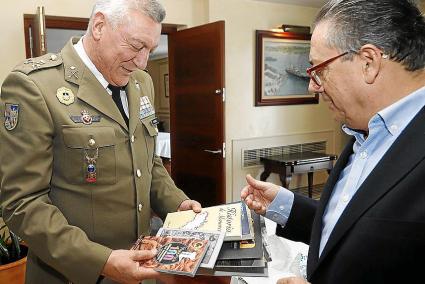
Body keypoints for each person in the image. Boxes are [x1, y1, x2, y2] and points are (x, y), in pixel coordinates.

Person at [0, 0, 202, 283]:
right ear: (99, 26)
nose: (143, 61)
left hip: (140, 267)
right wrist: (102, 261)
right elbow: (22, 203)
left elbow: (148, 164)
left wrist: (178, 205)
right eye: (135, 46)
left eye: (150, 50)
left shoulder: (142, 82)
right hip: (72, 275)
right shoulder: (35, 87)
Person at [242, 0, 425, 283]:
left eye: (319, 69)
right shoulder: (362, 132)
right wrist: (286, 204)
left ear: (368, 62)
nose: (312, 86)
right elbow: (354, 227)